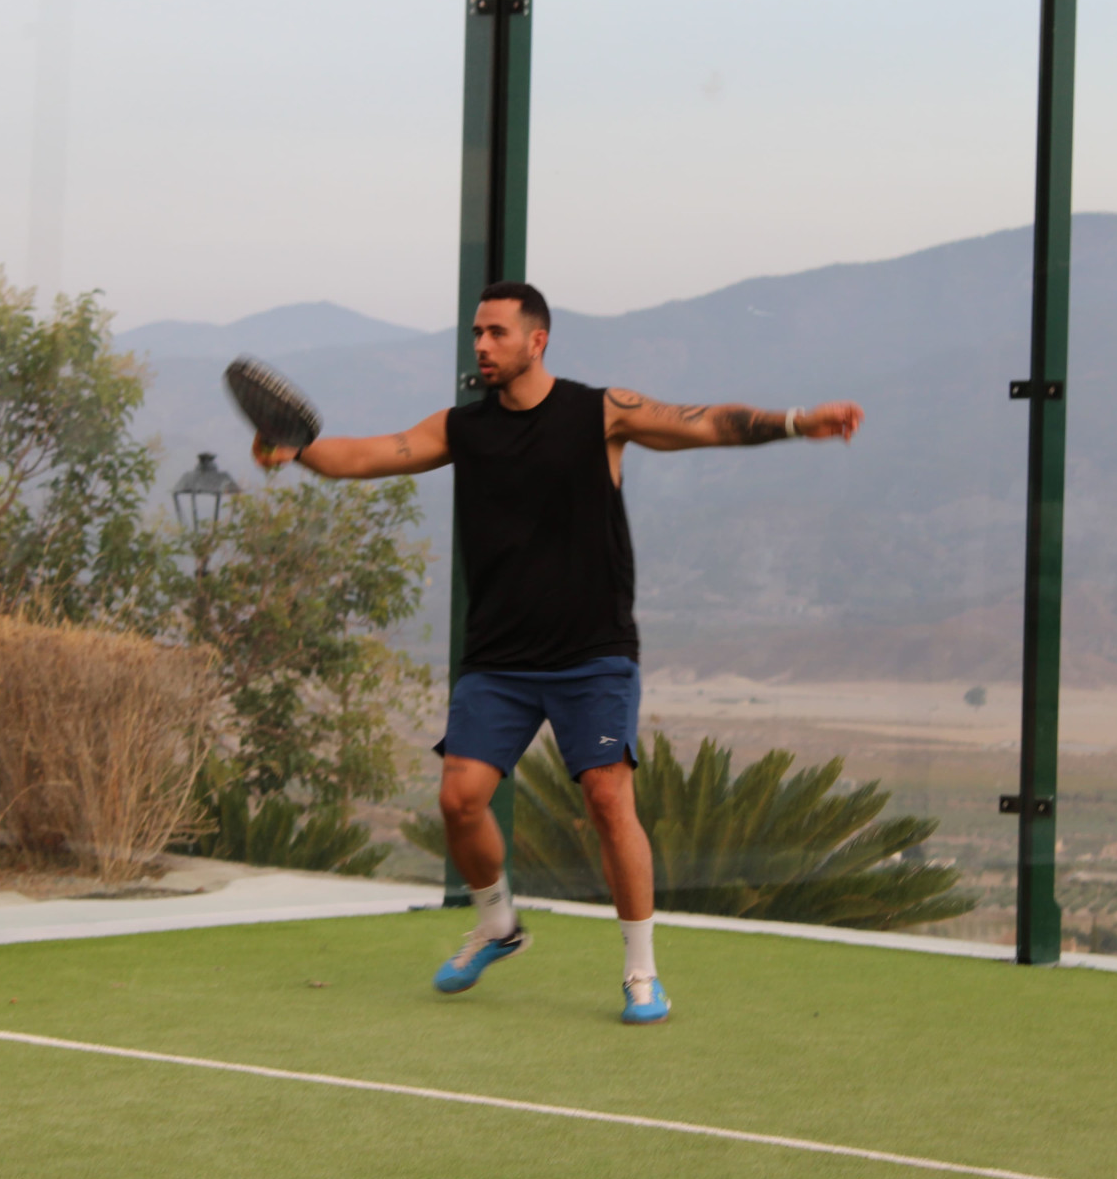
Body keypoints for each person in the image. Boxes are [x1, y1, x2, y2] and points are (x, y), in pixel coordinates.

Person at [253, 280, 862, 1024]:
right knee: (458, 800)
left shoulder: (600, 412)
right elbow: (369, 455)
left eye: (497, 333)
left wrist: (800, 421)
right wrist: (298, 451)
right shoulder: (461, 428)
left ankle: (641, 971)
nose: (482, 345)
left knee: (607, 798)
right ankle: (497, 926)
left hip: (593, 652)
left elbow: (705, 423)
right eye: (477, 333)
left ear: (536, 341)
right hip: (499, 659)